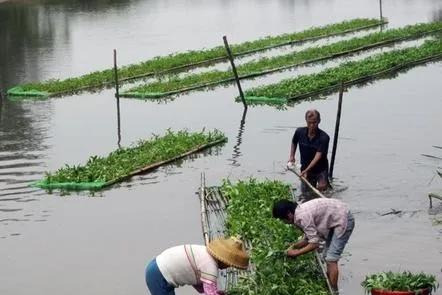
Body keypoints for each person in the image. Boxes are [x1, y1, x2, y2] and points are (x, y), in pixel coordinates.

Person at [272, 198, 354, 293]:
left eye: (282, 219)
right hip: (335, 216)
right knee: (326, 256)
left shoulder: (302, 217)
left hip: (343, 219)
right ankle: (330, 284)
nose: (283, 222)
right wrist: (294, 246)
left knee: (331, 259)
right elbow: (309, 237)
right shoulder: (298, 212)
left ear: (289, 215)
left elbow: (314, 244)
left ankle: (334, 291)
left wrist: (296, 253)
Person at [145, 236, 249, 295]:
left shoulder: (203, 252)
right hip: (160, 276)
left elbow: (194, 278)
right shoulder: (210, 266)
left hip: (155, 267)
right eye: (229, 265)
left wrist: (215, 292)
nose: (228, 267)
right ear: (224, 260)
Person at [288, 109, 330, 191]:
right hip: (305, 166)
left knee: (322, 187)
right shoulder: (299, 132)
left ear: (319, 121)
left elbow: (318, 156)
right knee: (306, 192)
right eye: (309, 122)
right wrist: (292, 156)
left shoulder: (324, 137)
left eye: (314, 122)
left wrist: (307, 170)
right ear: (306, 121)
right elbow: (294, 142)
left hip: (320, 169)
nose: (311, 125)